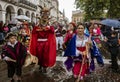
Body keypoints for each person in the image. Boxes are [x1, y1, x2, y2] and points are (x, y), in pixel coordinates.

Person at [29, 5, 56, 73]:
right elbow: (34, 32)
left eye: (46, 15)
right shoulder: (37, 26)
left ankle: (44, 66)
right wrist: (38, 29)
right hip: (38, 44)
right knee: (39, 55)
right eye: (43, 14)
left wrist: (48, 28)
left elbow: (52, 31)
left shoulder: (50, 26)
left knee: (45, 56)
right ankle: (40, 65)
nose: (45, 16)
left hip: (46, 44)